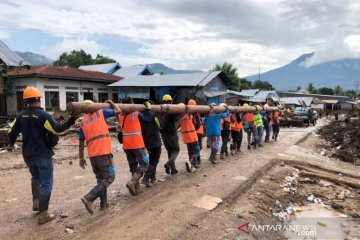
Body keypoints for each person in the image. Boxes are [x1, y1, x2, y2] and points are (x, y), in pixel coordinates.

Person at [7, 86, 77, 224]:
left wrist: (10, 144)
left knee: (35, 177)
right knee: (46, 182)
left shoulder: (20, 116)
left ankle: (37, 202)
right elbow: (57, 131)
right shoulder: (43, 115)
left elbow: (11, 132)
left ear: (26, 101)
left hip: (28, 155)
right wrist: (71, 120)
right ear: (39, 99)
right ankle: (43, 213)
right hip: (42, 154)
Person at [79, 100, 120, 214]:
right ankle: (89, 197)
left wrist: (81, 158)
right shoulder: (100, 112)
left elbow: (81, 142)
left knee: (101, 179)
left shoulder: (83, 122)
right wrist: (111, 102)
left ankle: (104, 204)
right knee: (110, 176)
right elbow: (118, 111)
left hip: (93, 156)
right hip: (103, 152)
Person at [119, 96, 151, 196]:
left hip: (127, 145)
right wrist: (148, 109)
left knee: (133, 166)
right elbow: (148, 118)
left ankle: (136, 189)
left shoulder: (120, 115)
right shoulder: (136, 113)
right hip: (137, 144)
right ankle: (132, 182)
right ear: (131, 103)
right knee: (145, 164)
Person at [140, 101, 162, 187]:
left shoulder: (142, 117)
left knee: (152, 160)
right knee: (154, 161)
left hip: (148, 143)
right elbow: (161, 126)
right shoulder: (153, 117)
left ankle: (152, 178)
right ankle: (146, 179)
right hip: (156, 142)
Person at [159, 95, 180, 175]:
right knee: (176, 149)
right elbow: (177, 116)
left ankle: (173, 169)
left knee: (170, 151)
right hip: (171, 133)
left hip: (163, 134)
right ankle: (169, 163)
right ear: (170, 101)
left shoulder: (160, 110)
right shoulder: (170, 110)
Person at [178, 103, 200, 172]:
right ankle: (191, 161)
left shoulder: (180, 117)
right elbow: (196, 125)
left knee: (190, 151)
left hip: (186, 138)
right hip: (192, 136)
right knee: (197, 151)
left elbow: (178, 127)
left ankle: (192, 166)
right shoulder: (189, 115)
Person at [188, 99, 204, 165]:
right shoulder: (198, 112)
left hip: (190, 133)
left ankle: (192, 161)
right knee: (198, 147)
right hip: (198, 132)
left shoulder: (187, 113)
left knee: (191, 148)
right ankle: (197, 160)